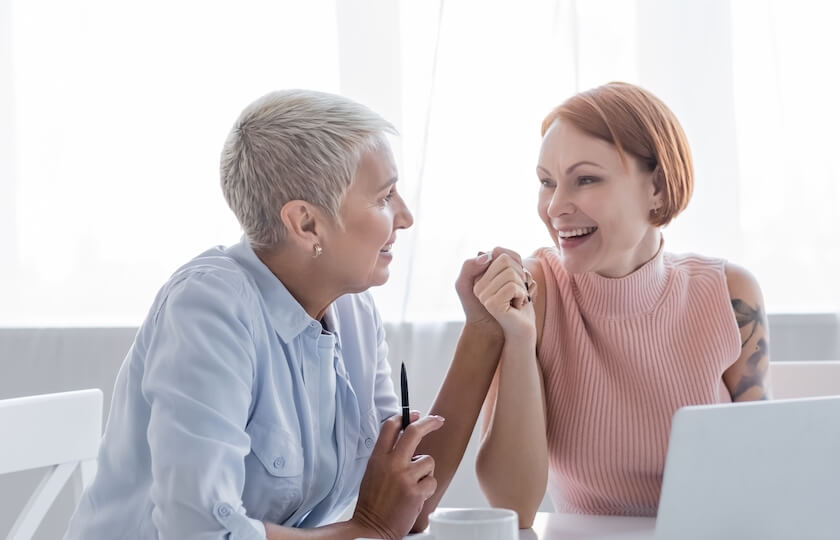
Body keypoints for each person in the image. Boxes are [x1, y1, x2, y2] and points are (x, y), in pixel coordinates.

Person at [64, 89, 505, 540]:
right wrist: (367, 528)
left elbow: (408, 506)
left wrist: (483, 331)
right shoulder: (207, 308)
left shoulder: (352, 309)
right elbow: (201, 532)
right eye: (384, 197)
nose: (406, 217)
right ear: (306, 223)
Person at [473, 82, 770, 524]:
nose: (555, 207)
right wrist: (518, 339)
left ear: (657, 188)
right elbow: (512, 507)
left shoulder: (729, 294)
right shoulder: (535, 292)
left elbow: (765, 471)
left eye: (586, 179)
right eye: (546, 182)